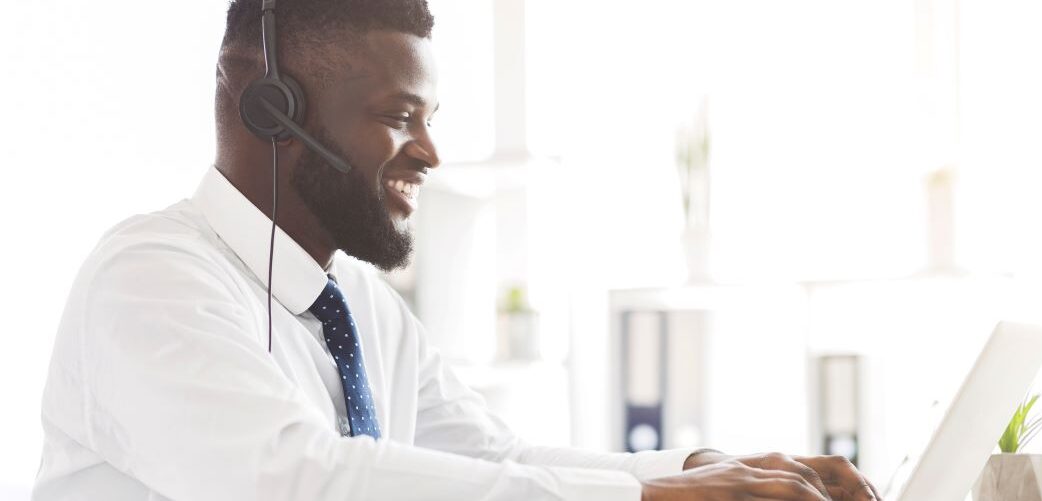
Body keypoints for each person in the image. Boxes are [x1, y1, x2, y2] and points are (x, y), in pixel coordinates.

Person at [34, 1, 880, 500]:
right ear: (273, 111)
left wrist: (707, 467)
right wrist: (656, 497)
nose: (430, 153)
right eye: (402, 116)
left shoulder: (363, 309)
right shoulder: (149, 281)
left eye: (430, 120)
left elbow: (493, 456)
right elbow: (309, 479)